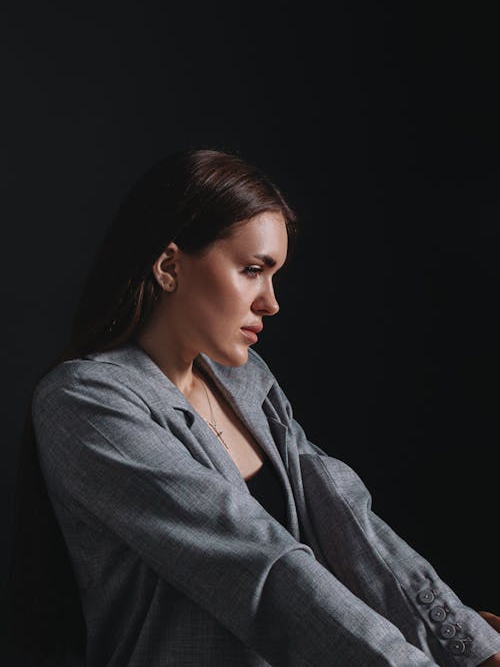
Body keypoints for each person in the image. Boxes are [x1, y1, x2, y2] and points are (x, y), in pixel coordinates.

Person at [4, 148, 500, 667]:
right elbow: (255, 563)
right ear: (169, 266)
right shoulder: (84, 401)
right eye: (251, 270)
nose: (271, 301)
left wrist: (467, 644)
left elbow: (349, 525)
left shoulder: (247, 380)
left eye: (273, 275)